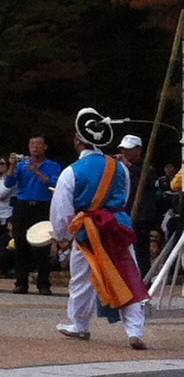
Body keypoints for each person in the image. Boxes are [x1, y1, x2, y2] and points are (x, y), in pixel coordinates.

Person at [53, 108, 148, 347]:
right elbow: (124, 199)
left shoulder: (71, 172)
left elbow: (61, 209)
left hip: (88, 229)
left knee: (82, 278)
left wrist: (62, 233)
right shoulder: (120, 168)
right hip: (117, 227)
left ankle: (80, 324)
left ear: (78, 140)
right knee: (127, 273)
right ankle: (135, 330)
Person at [7, 133, 61, 296]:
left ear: (45, 147)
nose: (34, 147)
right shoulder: (22, 165)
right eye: (32, 144)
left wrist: (36, 171)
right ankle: (21, 282)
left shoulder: (53, 165)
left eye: (38, 144)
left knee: (42, 247)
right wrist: (12, 166)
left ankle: (43, 283)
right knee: (20, 244)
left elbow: (54, 182)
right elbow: (9, 183)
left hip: (42, 206)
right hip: (23, 205)